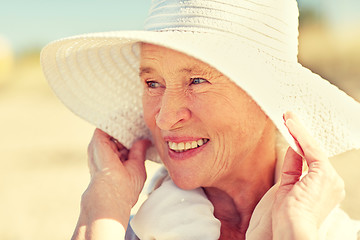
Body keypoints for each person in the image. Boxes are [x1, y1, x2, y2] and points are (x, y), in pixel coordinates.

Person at [40, 0, 360, 239]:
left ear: (269, 98)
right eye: (153, 83)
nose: (164, 118)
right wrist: (102, 205)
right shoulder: (121, 228)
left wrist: (295, 229)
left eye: (196, 81)